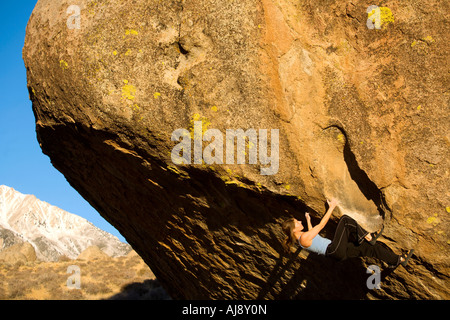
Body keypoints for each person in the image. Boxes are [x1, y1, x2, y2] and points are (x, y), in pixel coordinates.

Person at [281, 198, 414, 268]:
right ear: (294, 229)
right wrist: (332, 207)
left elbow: (312, 234)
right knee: (344, 220)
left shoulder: (302, 239)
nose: (299, 221)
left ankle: (399, 260)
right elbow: (320, 226)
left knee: (370, 249)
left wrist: (308, 220)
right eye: (296, 222)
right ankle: (369, 236)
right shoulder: (303, 237)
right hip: (334, 250)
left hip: (339, 253)